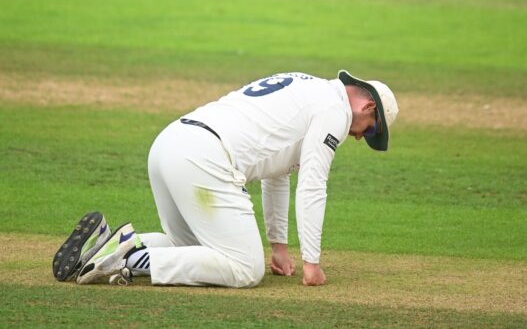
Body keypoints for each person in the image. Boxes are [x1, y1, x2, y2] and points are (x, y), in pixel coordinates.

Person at [53, 69, 398, 288]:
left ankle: (106, 244)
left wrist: (279, 248)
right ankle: (127, 259)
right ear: (369, 109)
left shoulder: (307, 86)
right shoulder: (335, 111)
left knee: (191, 250)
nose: (359, 137)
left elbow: (276, 174)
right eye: (369, 131)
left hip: (169, 143)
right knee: (246, 269)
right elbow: (312, 186)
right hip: (204, 156)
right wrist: (312, 264)